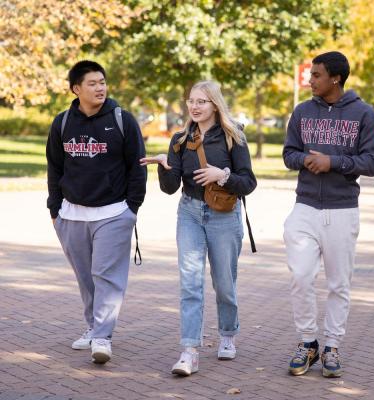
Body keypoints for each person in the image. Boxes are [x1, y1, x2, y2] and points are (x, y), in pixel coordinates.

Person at [140, 80, 256, 376]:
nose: (194, 106)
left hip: (224, 217)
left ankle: (227, 333)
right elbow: (170, 188)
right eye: (191, 100)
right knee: (191, 283)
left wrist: (223, 175)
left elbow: (248, 183)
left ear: (215, 105)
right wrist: (164, 167)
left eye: (201, 101)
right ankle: (189, 351)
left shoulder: (233, 137)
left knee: (224, 284)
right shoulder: (180, 139)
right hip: (189, 213)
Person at [282, 51, 374, 378]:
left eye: (316, 75)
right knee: (300, 277)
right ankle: (308, 341)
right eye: (310, 75)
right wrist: (306, 161)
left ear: (335, 78)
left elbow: (373, 162)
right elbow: (288, 153)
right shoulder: (302, 111)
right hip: (305, 207)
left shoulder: (363, 114)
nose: (310, 80)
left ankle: (332, 346)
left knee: (339, 283)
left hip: (342, 210)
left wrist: (333, 162)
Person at [46, 60, 147, 364]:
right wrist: (55, 209)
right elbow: (54, 166)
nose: (100, 87)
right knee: (85, 277)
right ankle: (93, 327)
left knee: (106, 275)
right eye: (92, 83)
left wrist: (132, 207)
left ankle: (102, 336)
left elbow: (137, 166)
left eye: (102, 81)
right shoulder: (62, 122)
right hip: (72, 214)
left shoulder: (122, 120)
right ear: (76, 89)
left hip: (114, 212)